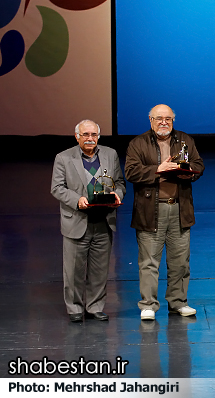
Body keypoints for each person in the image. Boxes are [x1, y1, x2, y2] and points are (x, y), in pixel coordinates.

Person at [124, 104, 205, 320]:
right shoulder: (138, 143)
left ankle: (178, 302)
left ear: (173, 120)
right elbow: (131, 172)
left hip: (179, 208)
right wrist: (158, 169)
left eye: (168, 119)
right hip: (151, 210)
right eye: (159, 118)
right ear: (150, 120)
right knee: (149, 261)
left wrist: (190, 173)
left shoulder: (185, 140)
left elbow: (198, 164)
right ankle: (148, 304)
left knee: (180, 261)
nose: (164, 122)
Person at [51, 120, 125, 322]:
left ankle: (94, 307)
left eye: (94, 134)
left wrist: (117, 194)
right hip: (77, 221)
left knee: (100, 269)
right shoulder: (64, 158)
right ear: (77, 136)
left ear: (98, 136)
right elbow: (57, 188)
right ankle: (74, 308)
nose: (90, 138)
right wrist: (77, 200)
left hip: (103, 220)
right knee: (73, 270)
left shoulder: (110, 154)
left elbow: (119, 182)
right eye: (85, 135)